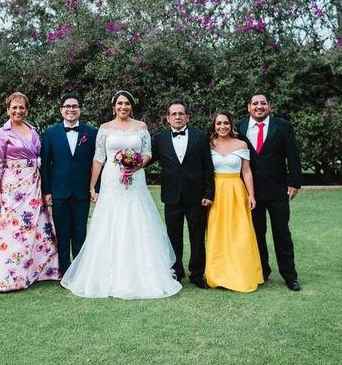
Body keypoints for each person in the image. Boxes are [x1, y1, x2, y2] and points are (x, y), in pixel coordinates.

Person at [61, 90, 181, 299]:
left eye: (127, 103)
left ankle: (143, 274)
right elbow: (98, 158)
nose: (123, 107)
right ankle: (107, 275)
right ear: (114, 106)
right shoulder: (105, 128)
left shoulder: (140, 126)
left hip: (135, 181)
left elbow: (148, 153)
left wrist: (136, 166)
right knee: (110, 222)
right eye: (119, 103)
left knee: (136, 219)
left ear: (131, 106)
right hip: (111, 181)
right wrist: (92, 187)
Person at [0, 92, 61, 293]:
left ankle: (37, 270)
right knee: (12, 229)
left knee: (36, 226)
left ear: (26, 109)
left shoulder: (33, 130)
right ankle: (8, 275)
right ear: (8, 110)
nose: (18, 111)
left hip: (33, 184)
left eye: (21, 107)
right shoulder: (2, 134)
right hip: (13, 187)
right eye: (14, 107)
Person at [237, 92, 302, 291]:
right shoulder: (238, 127)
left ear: (269, 107)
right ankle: (262, 272)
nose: (259, 106)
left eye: (263, 103)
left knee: (282, 233)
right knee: (257, 234)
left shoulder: (282, 127)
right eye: (255, 103)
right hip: (251, 192)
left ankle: (289, 275)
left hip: (277, 191)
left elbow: (293, 156)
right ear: (248, 107)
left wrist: (294, 182)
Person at [151, 100, 215, 289]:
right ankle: (176, 272)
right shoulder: (160, 138)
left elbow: (208, 166)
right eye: (174, 114)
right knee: (173, 237)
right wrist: (128, 162)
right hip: (172, 196)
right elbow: (147, 159)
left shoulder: (200, 136)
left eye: (181, 114)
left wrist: (209, 192)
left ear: (187, 117)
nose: (177, 117)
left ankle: (197, 274)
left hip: (197, 196)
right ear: (167, 118)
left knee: (197, 236)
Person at [205, 111, 263, 292]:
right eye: (219, 123)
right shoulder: (208, 144)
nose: (222, 127)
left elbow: (246, 171)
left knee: (240, 233)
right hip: (216, 193)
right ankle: (218, 275)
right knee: (217, 233)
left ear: (231, 125)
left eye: (226, 123)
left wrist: (251, 195)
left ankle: (242, 273)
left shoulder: (241, 144)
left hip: (236, 191)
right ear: (214, 126)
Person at [41, 93, 98, 275]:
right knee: (63, 233)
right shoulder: (50, 133)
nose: (71, 109)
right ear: (61, 110)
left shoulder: (92, 133)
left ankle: (80, 272)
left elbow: (97, 163)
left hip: (82, 191)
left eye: (74, 106)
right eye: (67, 106)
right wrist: (47, 190)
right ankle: (65, 272)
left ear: (80, 110)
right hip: (59, 191)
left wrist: (95, 188)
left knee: (80, 232)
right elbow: (46, 164)